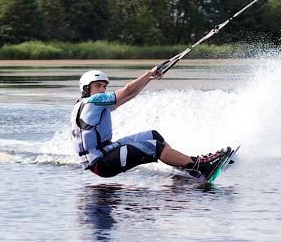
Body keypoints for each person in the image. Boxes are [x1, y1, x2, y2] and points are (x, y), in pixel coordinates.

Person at [71, 67, 230, 178]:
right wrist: (148, 73)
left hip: (104, 155)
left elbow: (129, 95)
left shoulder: (86, 105)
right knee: (153, 146)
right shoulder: (94, 101)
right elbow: (127, 90)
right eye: (98, 85)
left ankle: (188, 166)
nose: (102, 90)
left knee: (153, 135)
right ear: (86, 88)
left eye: (104, 86)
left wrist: (150, 78)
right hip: (101, 163)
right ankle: (201, 166)